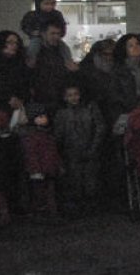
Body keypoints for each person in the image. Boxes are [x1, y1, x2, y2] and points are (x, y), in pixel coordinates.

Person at [54, 83, 106, 216]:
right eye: (70, 95)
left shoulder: (90, 109)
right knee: (75, 182)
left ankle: (92, 208)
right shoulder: (62, 114)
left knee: (91, 182)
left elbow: (100, 128)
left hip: (90, 149)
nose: (73, 98)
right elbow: (59, 135)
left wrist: (94, 147)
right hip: (71, 152)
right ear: (65, 98)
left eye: (75, 94)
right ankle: (77, 209)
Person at [20, 102, 63, 222]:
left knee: (50, 192)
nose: (44, 118)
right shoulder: (31, 136)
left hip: (49, 168)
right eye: (40, 116)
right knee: (40, 193)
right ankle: (42, 213)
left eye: (44, 116)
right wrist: (35, 169)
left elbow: (54, 151)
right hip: (39, 170)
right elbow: (31, 154)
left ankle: (51, 213)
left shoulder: (47, 134)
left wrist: (58, 165)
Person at [31, 20, 78, 106]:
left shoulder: (63, 51)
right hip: (41, 97)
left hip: (60, 97)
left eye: (58, 33)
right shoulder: (35, 52)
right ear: (43, 34)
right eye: (52, 33)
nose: (56, 37)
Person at [0, 31, 32, 114]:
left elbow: (25, 86)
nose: (14, 46)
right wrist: (7, 98)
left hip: (15, 111)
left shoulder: (20, 65)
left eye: (16, 43)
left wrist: (20, 99)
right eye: (10, 42)